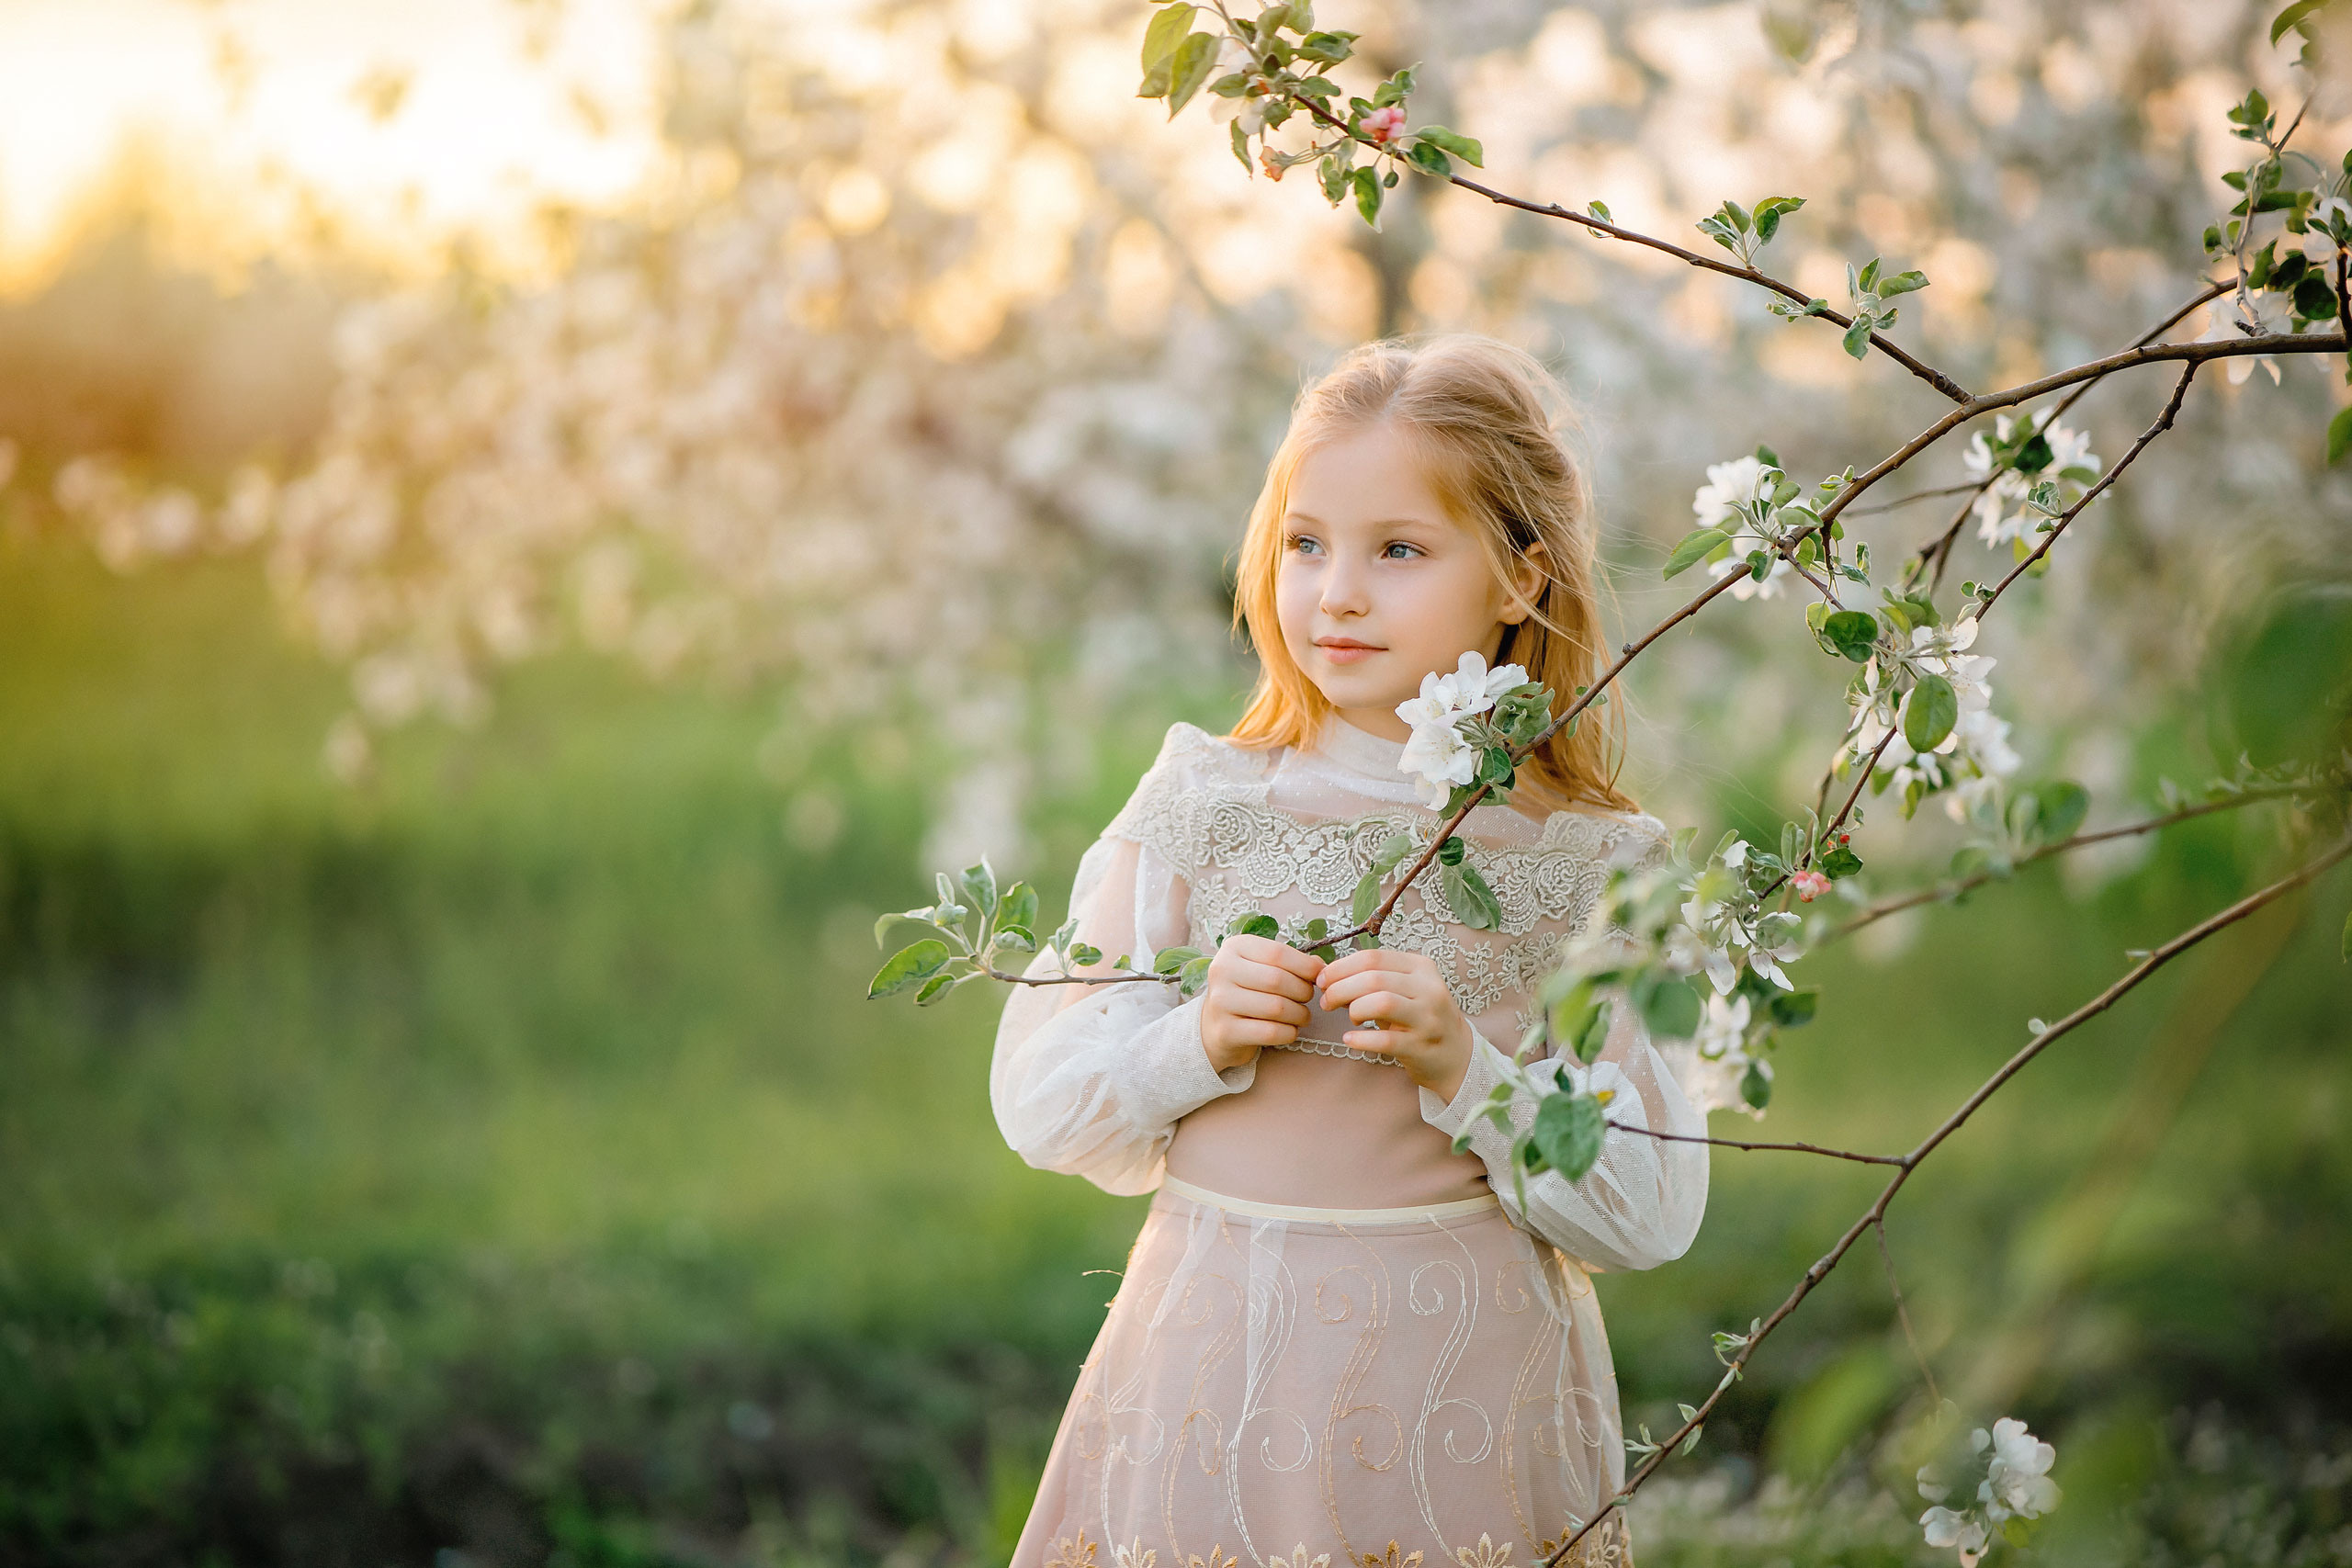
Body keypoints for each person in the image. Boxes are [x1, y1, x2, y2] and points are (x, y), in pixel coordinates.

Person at [992, 336, 1709, 1568]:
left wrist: (1468, 1073)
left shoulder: (1599, 867)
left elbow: (1646, 1212)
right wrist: (1192, 1042)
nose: (1338, 592)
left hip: (1466, 1389)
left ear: (1520, 579)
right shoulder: (1205, 803)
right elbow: (1042, 1104)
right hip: (1217, 1367)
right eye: (1306, 542)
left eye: (1399, 550)